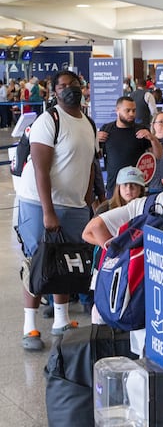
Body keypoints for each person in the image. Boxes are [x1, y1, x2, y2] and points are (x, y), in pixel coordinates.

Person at [17, 70, 99, 350]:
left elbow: (89, 165)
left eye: (73, 84)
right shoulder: (48, 120)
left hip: (74, 205)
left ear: (81, 88)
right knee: (37, 262)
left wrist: (87, 202)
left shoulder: (88, 122)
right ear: (54, 92)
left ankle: (61, 320)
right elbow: (41, 169)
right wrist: (48, 211)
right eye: (62, 86)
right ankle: (30, 327)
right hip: (40, 203)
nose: (68, 89)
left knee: (65, 263)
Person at [83, 147, 163, 324]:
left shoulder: (142, 204)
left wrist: (119, 251)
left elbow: (93, 227)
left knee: (137, 351)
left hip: (134, 302)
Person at [98, 96, 163, 198]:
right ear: (117, 111)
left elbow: (159, 156)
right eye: (127, 111)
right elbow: (98, 155)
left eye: (134, 110)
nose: (132, 114)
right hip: (114, 187)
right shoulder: (106, 129)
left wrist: (153, 139)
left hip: (136, 187)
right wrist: (95, 141)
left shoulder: (141, 130)